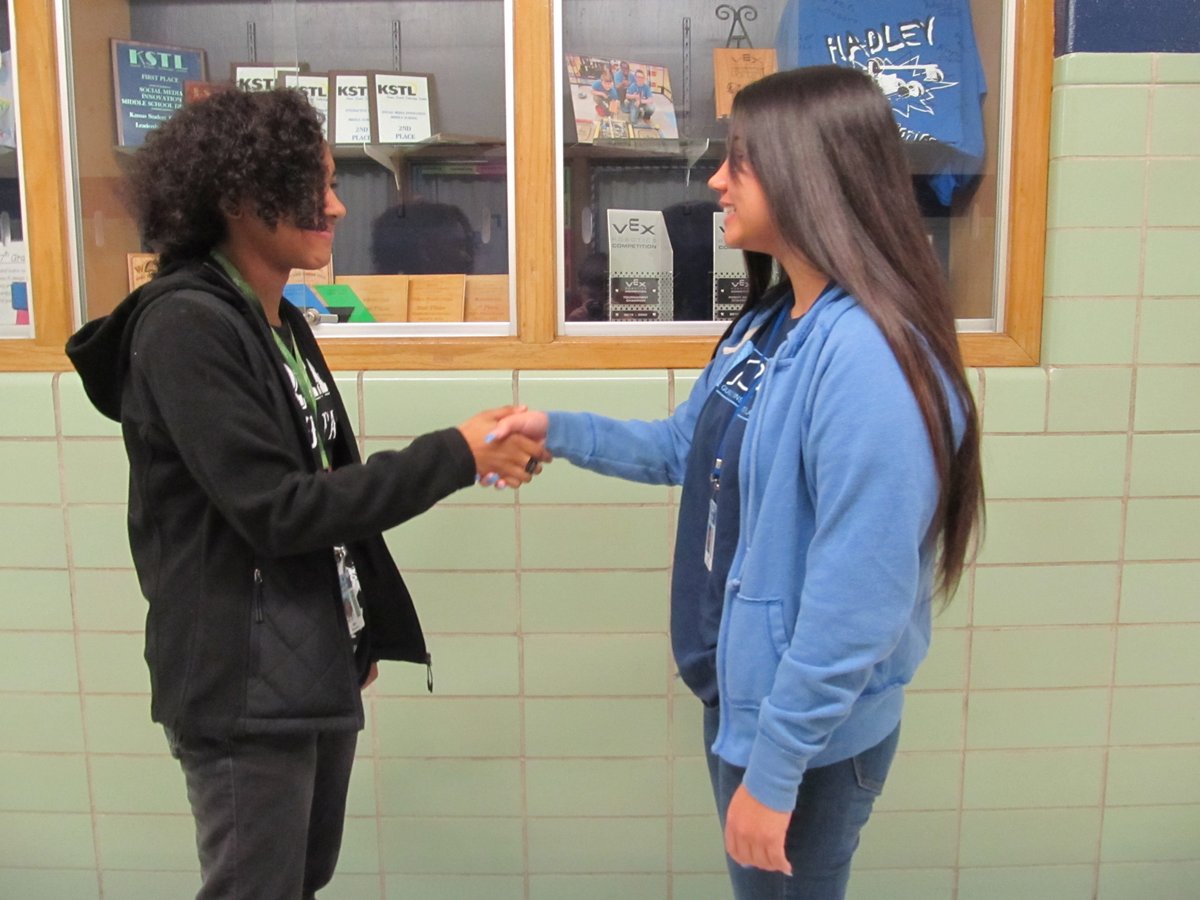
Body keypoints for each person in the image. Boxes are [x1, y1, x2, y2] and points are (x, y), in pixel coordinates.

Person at [488, 66, 982, 899]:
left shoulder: (867, 361)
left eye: (740, 161)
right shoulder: (772, 322)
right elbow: (685, 448)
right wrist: (558, 432)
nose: (716, 180)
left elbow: (856, 603)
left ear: (809, 172)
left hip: (812, 742)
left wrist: (777, 770)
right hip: (748, 708)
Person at [64, 87, 549, 900]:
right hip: (240, 681)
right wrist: (454, 455)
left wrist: (350, 630)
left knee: (300, 878)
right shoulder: (186, 328)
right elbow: (278, 510)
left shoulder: (277, 319)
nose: (333, 204)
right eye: (310, 184)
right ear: (235, 195)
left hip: (304, 661)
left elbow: (326, 479)